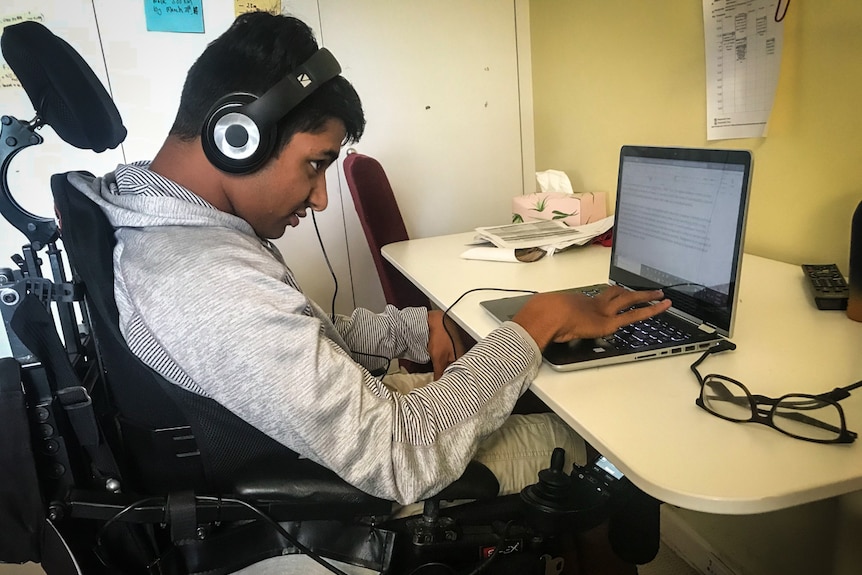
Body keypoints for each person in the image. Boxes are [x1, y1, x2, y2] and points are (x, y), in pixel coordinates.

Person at [71, 11, 670, 572]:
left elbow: (306, 335)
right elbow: (400, 457)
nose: (321, 197)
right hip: (349, 493)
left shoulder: (186, 233)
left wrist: (428, 327)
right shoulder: (202, 278)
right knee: (592, 436)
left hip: (334, 438)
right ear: (237, 137)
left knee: (534, 386)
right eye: (315, 164)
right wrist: (535, 324)